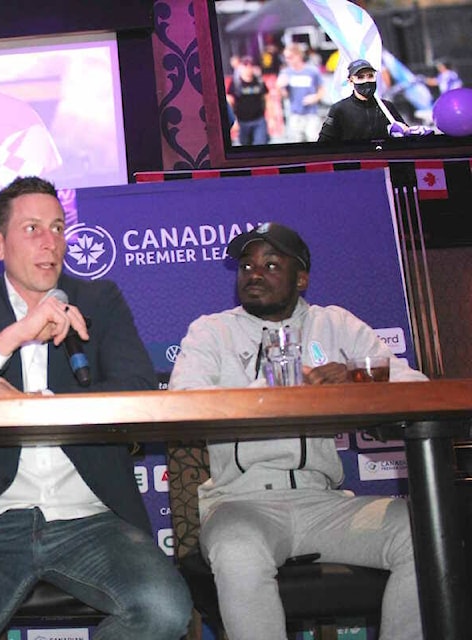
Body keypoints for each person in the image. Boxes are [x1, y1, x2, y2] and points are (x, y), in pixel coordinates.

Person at [0, 176, 191, 640]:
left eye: (59, 228)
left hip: (92, 519)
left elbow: (139, 389)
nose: (51, 243)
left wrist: (28, 405)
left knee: (163, 611)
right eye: (33, 229)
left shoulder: (99, 299)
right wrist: (17, 334)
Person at [168, 222, 427, 640]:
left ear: (301, 278)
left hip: (323, 502)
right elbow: (184, 403)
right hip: (241, 502)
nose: (254, 274)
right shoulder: (212, 330)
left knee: (425, 532)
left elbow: (416, 388)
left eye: (271, 264)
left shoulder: (335, 324)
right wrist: (277, 386)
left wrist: (358, 379)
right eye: (246, 266)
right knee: (237, 550)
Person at [319, 59, 405, 143]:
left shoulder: (386, 107)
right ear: (350, 81)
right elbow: (324, 142)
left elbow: (405, 136)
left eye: (370, 76)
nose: (366, 81)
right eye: (360, 77)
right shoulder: (339, 109)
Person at [277, 44, 325, 142]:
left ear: (298, 56)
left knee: (313, 140)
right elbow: (284, 95)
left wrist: (315, 97)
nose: (287, 60)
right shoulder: (286, 72)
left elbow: (322, 89)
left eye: (290, 57)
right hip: (295, 114)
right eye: (285, 58)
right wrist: (280, 87)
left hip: (311, 113)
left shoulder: (312, 71)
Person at [227, 56, 270, 145]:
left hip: (258, 120)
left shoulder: (259, 81)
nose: (248, 69)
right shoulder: (236, 83)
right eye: (245, 66)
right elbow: (230, 101)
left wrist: (269, 115)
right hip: (243, 121)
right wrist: (234, 120)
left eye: (250, 66)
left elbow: (266, 97)